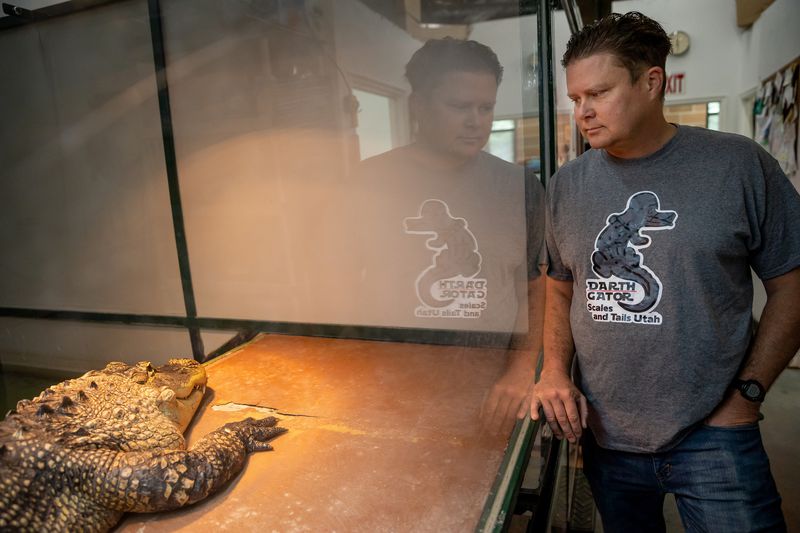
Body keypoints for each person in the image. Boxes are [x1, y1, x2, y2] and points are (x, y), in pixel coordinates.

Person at [531, 11, 800, 532]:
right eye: (575, 99)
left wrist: (748, 395)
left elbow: (792, 283)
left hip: (716, 432)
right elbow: (560, 288)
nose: (583, 112)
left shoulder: (738, 165)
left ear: (651, 82)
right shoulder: (568, 184)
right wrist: (554, 373)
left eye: (599, 93)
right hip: (606, 434)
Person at [333, 38, 545, 433]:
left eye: (486, 108)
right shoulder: (366, 182)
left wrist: (520, 371)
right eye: (460, 107)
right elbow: (337, 288)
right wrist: (352, 373)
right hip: (389, 395)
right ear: (418, 106)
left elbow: (534, 289)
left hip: (492, 397)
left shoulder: (519, 187)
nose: (476, 121)